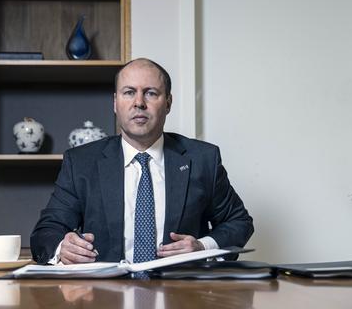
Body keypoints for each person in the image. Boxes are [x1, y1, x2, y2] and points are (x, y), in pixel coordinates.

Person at [30, 58, 253, 264]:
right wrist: (63, 248)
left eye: (151, 93)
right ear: (115, 103)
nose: (139, 103)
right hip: (103, 298)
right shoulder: (81, 163)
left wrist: (202, 247)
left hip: (183, 296)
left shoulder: (202, 159)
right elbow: (46, 232)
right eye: (129, 92)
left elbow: (238, 222)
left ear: (168, 102)